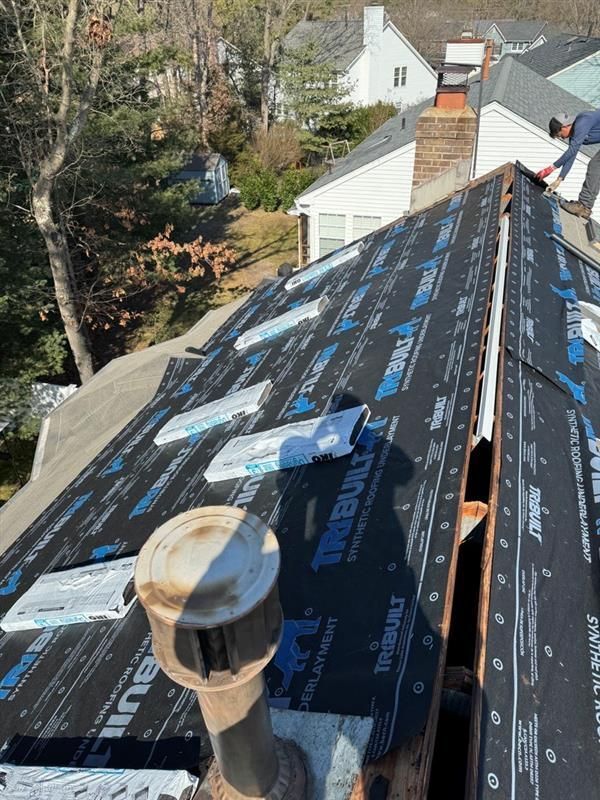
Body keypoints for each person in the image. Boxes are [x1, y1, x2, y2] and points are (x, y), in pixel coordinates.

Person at [535, 109, 600, 219]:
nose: (562, 138)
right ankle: (585, 207)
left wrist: (550, 168)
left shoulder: (583, 122)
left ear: (564, 126)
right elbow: (571, 154)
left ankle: (583, 206)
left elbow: (572, 150)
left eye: (560, 135)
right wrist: (559, 179)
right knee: (596, 166)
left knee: (595, 166)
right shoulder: (576, 131)